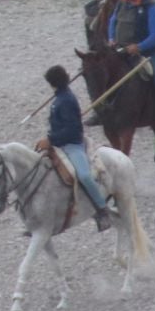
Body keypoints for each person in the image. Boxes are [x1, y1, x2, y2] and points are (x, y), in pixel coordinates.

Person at [35, 66, 114, 231]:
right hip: (58, 144)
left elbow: (71, 129)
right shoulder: (58, 99)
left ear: (52, 83)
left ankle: (102, 209)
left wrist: (50, 139)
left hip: (72, 145)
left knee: (84, 176)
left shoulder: (67, 100)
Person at [105, 0, 155, 133]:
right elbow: (112, 22)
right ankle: (103, 110)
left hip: (146, 53)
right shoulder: (122, 4)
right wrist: (111, 37)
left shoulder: (151, 8)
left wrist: (139, 46)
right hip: (120, 50)